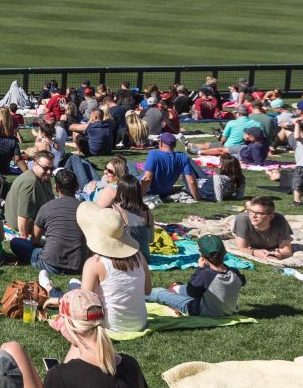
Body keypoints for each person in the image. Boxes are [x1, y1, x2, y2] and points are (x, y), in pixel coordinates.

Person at [78, 203, 148, 334]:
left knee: (74, 291)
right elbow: (147, 290)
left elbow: (85, 304)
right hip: (139, 323)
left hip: (109, 325)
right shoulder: (139, 256)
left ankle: (50, 288)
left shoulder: (94, 263)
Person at [147, 234, 244, 317]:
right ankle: (176, 288)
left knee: (160, 293)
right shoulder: (235, 273)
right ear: (225, 253)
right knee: (180, 287)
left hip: (200, 311)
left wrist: (199, 269)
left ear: (201, 255)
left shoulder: (205, 275)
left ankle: (138, 294)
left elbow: (191, 292)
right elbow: (240, 280)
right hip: (228, 311)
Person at [229, 195, 295, 261]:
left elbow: (286, 251)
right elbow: (241, 247)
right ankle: (249, 205)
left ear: (271, 217)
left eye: (259, 213)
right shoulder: (242, 219)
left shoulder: (279, 220)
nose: (254, 216)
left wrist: (280, 256)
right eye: (251, 211)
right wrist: (254, 252)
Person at [140, 132, 201, 202]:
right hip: (165, 191)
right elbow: (191, 181)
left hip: (147, 190)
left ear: (161, 143)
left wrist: (140, 196)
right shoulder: (182, 157)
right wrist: (197, 199)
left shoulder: (153, 154)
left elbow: (147, 179)